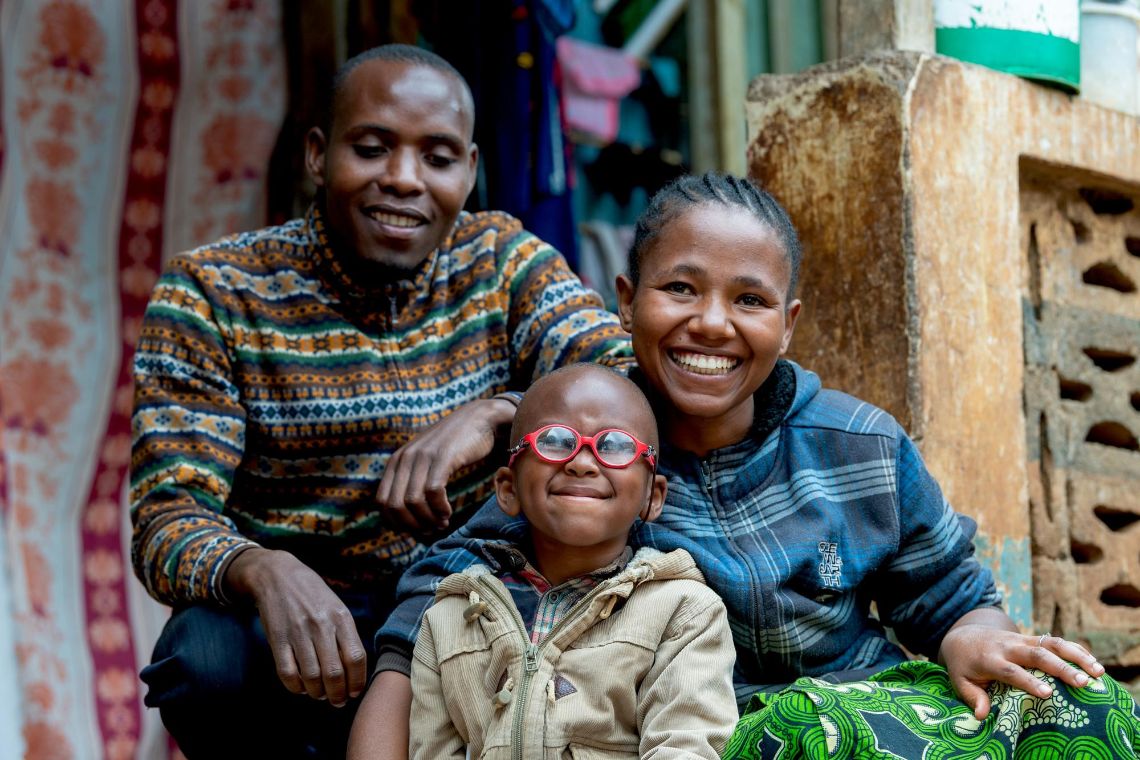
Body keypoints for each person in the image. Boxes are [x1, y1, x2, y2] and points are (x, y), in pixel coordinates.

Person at [353, 172, 1140, 759]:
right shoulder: (597, 459)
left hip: (873, 709)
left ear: (788, 323)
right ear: (626, 302)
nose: (711, 324)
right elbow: (438, 598)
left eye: (750, 301)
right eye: (680, 289)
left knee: (1091, 709)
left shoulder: (861, 442)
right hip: (710, 736)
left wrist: (975, 637)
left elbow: (950, 594)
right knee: (804, 736)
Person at [129, 44, 631, 759]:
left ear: (470, 169)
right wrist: (261, 568)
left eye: (437, 157)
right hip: (299, 626)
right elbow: (166, 517)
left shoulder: (501, 262)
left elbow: (624, 378)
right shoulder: (213, 294)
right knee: (203, 660)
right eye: (371, 148)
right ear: (316, 154)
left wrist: (497, 414)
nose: (403, 180)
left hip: (464, 599)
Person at [408, 363, 737, 758]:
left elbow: (685, 746)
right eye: (556, 441)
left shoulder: (683, 612)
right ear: (508, 490)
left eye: (616, 446)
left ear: (653, 497)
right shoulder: (449, 618)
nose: (582, 462)